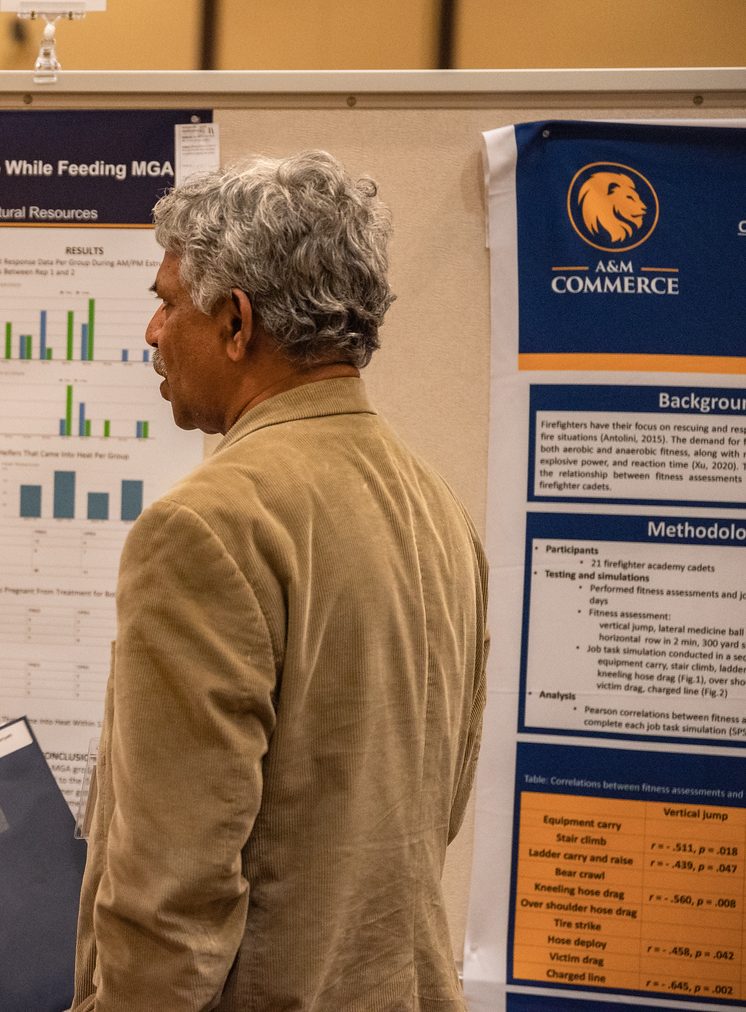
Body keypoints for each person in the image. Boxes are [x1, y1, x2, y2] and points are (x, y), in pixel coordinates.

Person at [72, 152, 489, 1011]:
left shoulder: (206, 525)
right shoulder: (441, 509)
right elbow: (433, 817)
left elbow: (171, 903)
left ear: (236, 322)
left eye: (166, 302)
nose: (153, 332)